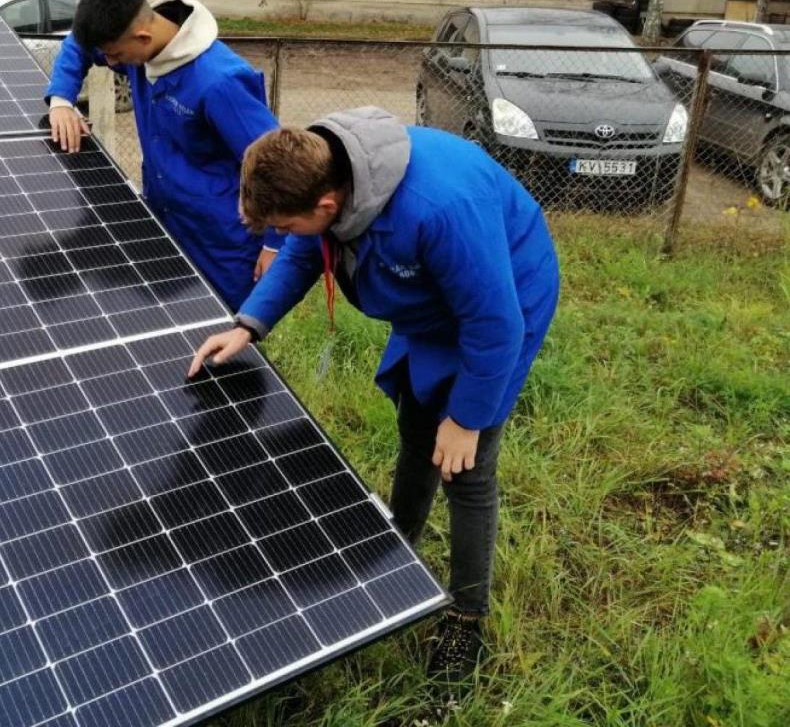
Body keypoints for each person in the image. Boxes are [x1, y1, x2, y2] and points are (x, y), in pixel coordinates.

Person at [188, 107, 559, 683]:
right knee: (417, 429)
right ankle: (399, 544)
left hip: (503, 304)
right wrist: (249, 324)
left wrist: (467, 418)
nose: (283, 237)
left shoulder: (439, 209)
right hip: (432, 308)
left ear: (328, 207)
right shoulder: (327, 173)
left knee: (467, 466)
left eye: (285, 225)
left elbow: (495, 324)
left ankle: (466, 614)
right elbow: (306, 251)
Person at [44, 0, 283, 311]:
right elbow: (80, 44)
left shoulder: (218, 82)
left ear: (143, 37)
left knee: (216, 333)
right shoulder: (141, 49)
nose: (110, 63)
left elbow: (277, 164)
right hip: (164, 224)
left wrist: (275, 245)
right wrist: (61, 100)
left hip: (222, 244)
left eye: (114, 55)